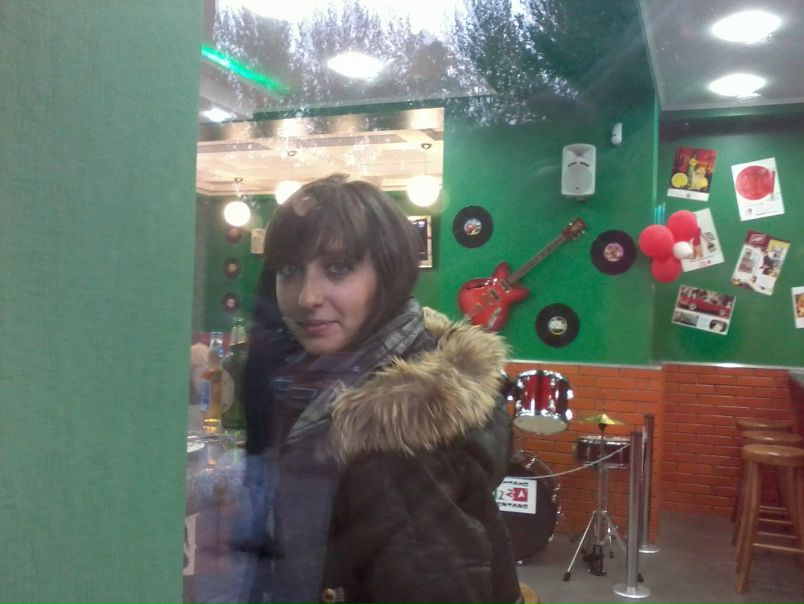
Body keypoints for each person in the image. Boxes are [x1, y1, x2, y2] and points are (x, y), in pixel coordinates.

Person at [244, 174, 522, 604]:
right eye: (290, 271)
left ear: (388, 274)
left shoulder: (401, 433)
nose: (306, 297)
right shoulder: (321, 378)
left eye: (338, 268)